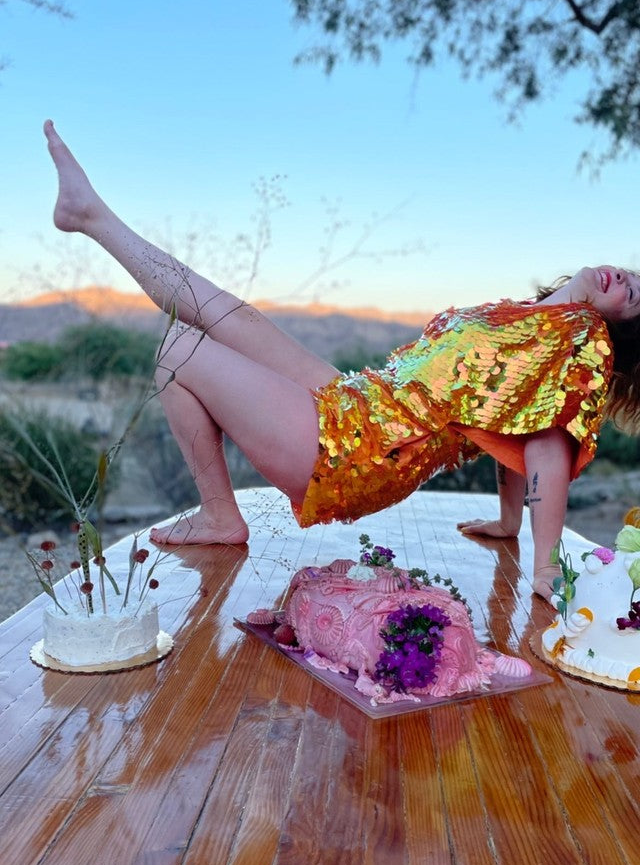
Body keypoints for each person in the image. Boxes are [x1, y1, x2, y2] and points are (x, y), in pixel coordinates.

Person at [43, 120, 640, 603]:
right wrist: (508, 523)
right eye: (636, 277)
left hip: (359, 451)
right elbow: (518, 421)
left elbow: (546, 445)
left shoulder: (582, 339)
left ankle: (221, 515)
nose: (627, 281)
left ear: (620, 328)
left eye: (634, 298)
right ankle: (90, 215)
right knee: (220, 312)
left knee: (180, 349)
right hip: (357, 403)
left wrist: (542, 563)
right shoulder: (533, 322)